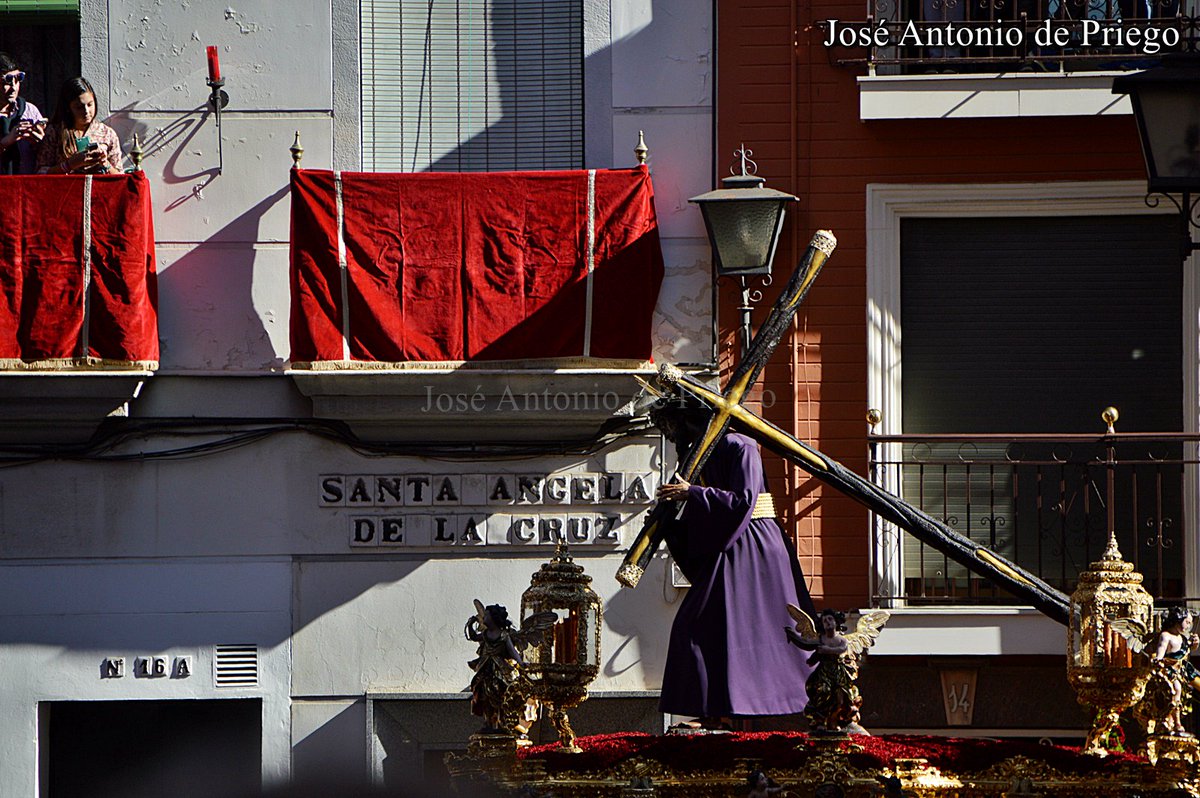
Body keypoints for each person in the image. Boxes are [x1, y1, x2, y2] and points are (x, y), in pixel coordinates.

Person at [653, 398, 816, 726]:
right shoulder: (702, 453)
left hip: (750, 545)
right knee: (703, 628)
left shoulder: (740, 445)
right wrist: (670, 528)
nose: (673, 437)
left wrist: (693, 493)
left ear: (689, 421)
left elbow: (745, 500)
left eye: (674, 428)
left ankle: (728, 711)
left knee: (706, 626)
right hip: (729, 543)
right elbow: (705, 517)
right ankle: (716, 711)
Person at [36, 76, 123, 175]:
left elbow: (121, 177)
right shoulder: (55, 132)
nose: (86, 111)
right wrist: (69, 165)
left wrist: (105, 163)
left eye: (90, 105)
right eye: (79, 107)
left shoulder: (107, 133)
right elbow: (41, 173)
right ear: (68, 108)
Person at [1149, 605, 1200, 734]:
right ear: (1178, 619)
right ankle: (1176, 722)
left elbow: (1188, 650)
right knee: (1176, 690)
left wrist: (1195, 644)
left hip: (1182, 670)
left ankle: (1173, 720)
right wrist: (1158, 659)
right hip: (1169, 670)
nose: (1188, 626)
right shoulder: (1166, 636)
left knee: (1182, 694)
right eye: (1187, 622)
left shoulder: (1182, 638)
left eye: (1190, 623)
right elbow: (1161, 650)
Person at [0, 52, 45, 175]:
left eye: (18, 79)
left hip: (26, 182)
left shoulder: (29, 111)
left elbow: (47, 157)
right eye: (7, 81)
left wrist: (40, 142)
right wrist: (5, 142)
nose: (14, 88)